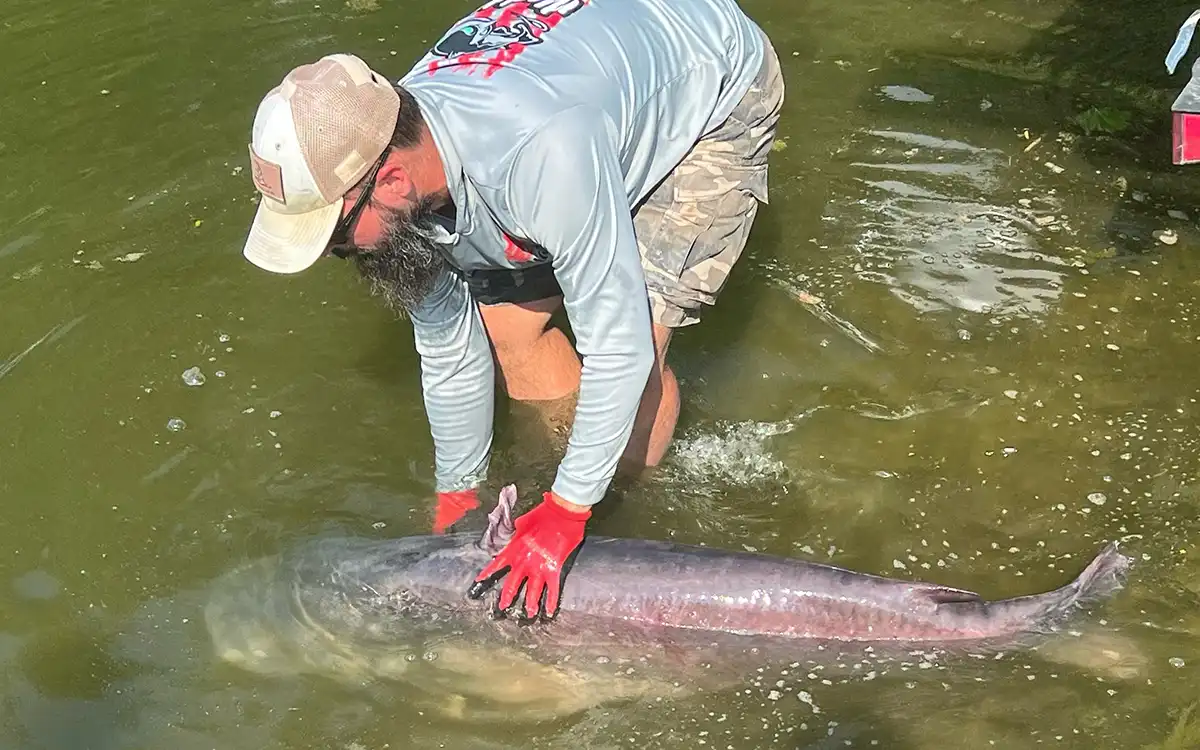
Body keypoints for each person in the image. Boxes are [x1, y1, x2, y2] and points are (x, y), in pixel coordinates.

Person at [239, 0, 784, 622]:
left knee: (643, 343)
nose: (338, 254)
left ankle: (628, 506)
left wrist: (569, 510)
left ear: (390, 181)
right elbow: (448, 346)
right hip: (582, 93)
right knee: (507, 336)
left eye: (336, 236)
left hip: (710, 82)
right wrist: (457, 492)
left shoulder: (541, 155)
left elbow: (621, 347)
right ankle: (573, 476)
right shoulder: (392, 143)